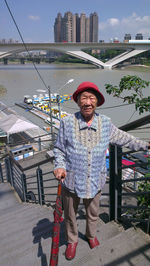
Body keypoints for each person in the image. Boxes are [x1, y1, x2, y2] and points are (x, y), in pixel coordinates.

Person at [53, 81, 150, 261]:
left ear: (97, 102)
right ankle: (72, 241)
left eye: (91, 98)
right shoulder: (67, 122)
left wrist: (146, 145)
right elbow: (58, 149)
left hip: (95, 180)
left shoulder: (105, 123)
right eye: (84, 98)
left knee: (93, 213)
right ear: (78, 101)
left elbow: (125, 139)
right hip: (71, 180)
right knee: (70, 215)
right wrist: (59, 165)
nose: (87, 102)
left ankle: (91, 235)